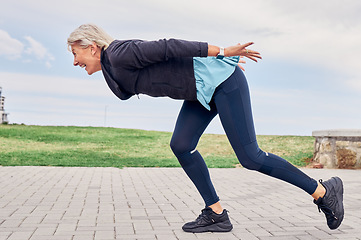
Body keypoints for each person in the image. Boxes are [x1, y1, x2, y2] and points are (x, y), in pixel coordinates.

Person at [67, 24, 344, 233]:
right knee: (181, 145)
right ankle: (216, 214)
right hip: (200, 93)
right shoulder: (113, 66)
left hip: (223, 81)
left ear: (92, 46)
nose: (75, 61)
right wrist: (102, 67)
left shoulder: (119, 53)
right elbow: (124, 90)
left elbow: (169, 46)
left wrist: (223, 52)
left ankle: (323, 192)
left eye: (75, 53)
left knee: (250, 157)